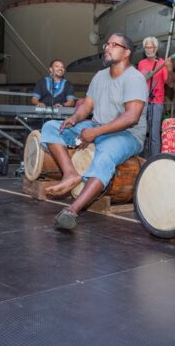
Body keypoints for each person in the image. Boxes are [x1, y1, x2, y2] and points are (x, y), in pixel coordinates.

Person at [40, 33, 147, 230]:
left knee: (104, 156)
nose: (107, 48)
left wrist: (95, 133)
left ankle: (72, 211)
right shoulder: (100, 76)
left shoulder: (135, 78)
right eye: (107, 44)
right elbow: (87, 105)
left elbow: (131, 117)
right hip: (97, 125)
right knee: (51, 127)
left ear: (127, 52)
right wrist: (75, 118)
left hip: (128, 134)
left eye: (114, 45)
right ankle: (70, 174)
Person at [136, 36, 174, 157]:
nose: (148, 50)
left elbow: (170, 83)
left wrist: (170, 69)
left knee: (154, 134)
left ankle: (154, 160)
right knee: (142, 132)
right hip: (142, 102)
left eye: (150, 47)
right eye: (146, 47)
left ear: (156, 48)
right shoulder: (141, 64)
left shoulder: (162, 63)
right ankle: (141, 159)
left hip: (156, 102)